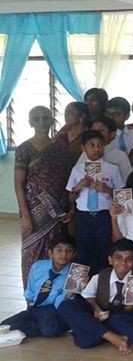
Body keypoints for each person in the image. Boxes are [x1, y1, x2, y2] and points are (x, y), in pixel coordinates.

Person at [57, 239, 133, 355]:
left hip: (122, 317)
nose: (123, 263)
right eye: (118, 258)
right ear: (110, 260)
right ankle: (112, 337)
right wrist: (96, 308)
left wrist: (132, 299)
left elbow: (129, 310)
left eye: (129, 259)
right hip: (101, 314)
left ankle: (101, 333)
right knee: (66, 306)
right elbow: (88, 296)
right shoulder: (100, 276)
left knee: (85, 340)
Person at [15, 106, 73, 286]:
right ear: (30, 122)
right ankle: (32, 295)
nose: (41, 122)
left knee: (58, 252)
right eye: (36, 118)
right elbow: (19, 184)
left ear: (52, 121)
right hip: (33, 211)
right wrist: (25, 215)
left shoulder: (61, 149)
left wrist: (71, 208)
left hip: (58, 212)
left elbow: (69, 182)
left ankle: (54, 295)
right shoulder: (23, 149)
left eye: (45, 118)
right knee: (31, 253)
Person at [66, 130, 124, 275]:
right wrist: (78, 187)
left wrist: (107, 189)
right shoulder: (77, 169)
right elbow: (71, 198)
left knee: (105, 251)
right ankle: (83, 286)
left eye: (100, 145)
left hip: (104, 216)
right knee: (83, 252)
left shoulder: (112, 169)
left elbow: (123, 196)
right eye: (91, 145)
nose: (96, 149)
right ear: (83, 148)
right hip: (83, 217)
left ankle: (103, 283)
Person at [1, 234, 74, 338]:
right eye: (59, 250)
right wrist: (31, 307)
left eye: (69, 251)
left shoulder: (74, 274)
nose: (64, 254)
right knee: (5, 326)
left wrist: (70, 294)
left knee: (49, 330)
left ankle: (51, 326)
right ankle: (43, 324)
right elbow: (30, 291)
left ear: (74, 254)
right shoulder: (38, 266)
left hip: (53, 309)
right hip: (36, 307)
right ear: (50, 253)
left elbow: (61, 303)